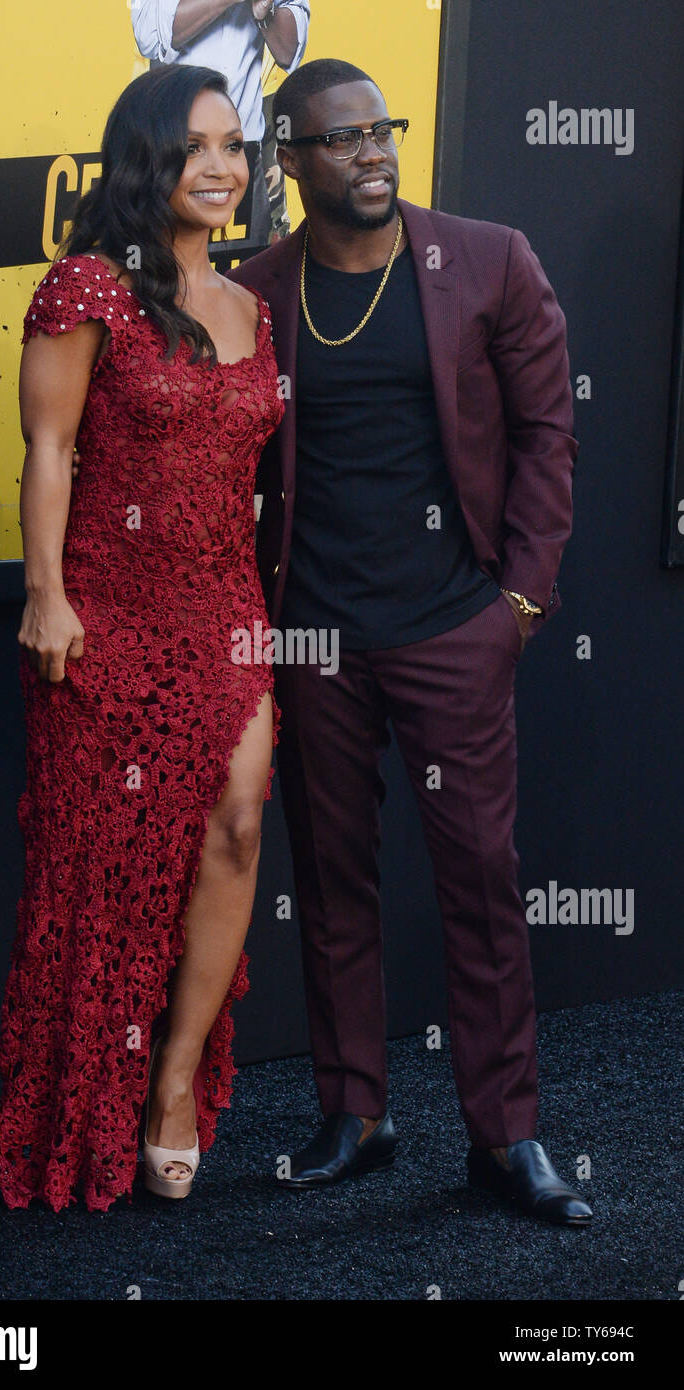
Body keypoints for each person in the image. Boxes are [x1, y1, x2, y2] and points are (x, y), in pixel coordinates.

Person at [226, 58, 593, 1226]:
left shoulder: (487, 259)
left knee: (480, 883)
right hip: (315, 640)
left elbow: (549, 435)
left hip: (450, 627)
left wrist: (518, 606)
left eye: (382, 130)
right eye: (342, 139)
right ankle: (357, 1111)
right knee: (331, 882)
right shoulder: (259, 288)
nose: (373, 151)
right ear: (290, 162)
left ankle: (507, 1136)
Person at [0, 63, 284, 1213]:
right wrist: (45, 593)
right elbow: (50, 450)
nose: (223, 169)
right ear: (147, 163)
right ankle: (83, 1106)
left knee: (238, 827)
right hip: (105, 608)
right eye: (196, 149)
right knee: (100, 870)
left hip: (226, 611)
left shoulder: (254, 305)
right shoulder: (88, 289)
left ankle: (171, 1085)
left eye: (236, 148)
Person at [132, 0, 310, 245]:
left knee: (244, 270)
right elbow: (150, 37)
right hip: (173, 147)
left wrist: (265, 14)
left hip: (242, 149)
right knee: (162, 267)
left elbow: (289, 52)